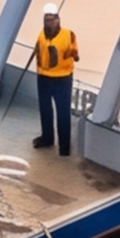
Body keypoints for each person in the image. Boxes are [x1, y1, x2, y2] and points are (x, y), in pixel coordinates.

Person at [31, 8, 80, 151]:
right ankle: (47, 138)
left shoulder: (68, 35)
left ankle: (64, 146)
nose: (48, 23)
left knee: (63, 113)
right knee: (45, 109)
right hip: (43, 77)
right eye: (46, 20)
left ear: (58, 20)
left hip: (62, 79)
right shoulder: (41, 35)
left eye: (51, 20)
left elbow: (75, 54)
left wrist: (67, 53)